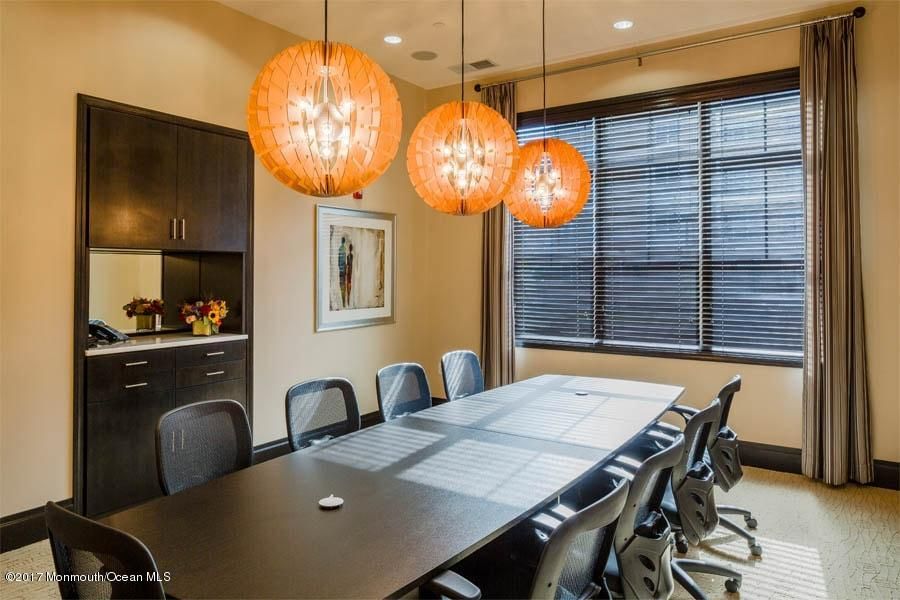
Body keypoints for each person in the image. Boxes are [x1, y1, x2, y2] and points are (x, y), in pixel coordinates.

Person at [337, 236, 347, 307]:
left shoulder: (340, 248)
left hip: (340, 268)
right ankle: (343, 302)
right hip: (343, 268)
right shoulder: (344, 249)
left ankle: (342, 301)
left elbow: (339, 259)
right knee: (343, 285)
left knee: (341, 284)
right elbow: (344, 260)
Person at [345, 243, 354, 308]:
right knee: (349, 285)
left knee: (349, 285)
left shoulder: (349, 256)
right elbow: (348, 265)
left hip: (350, 272)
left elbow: (348, 265)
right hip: (350, 272)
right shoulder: (349, 256)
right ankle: (348, 300)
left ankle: (349, 300)